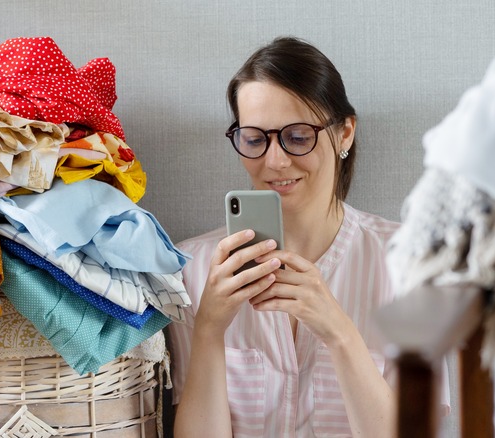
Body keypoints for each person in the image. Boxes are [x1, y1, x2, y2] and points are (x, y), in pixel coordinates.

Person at [168, 36, 404, 437]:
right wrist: (209, 331)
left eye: (297, 137)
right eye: (255, 139)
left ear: (345, 133)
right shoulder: (191, 271)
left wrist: (340, 333)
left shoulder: (406, 262)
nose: (274, 162)